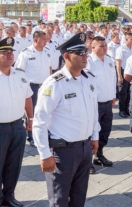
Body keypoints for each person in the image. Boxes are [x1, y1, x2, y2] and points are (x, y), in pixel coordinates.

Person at [32, 33, 100, 207]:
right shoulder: (54, 83)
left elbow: (93, 111)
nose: (85, 56)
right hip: (63, 152)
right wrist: (45, 154)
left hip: (85, 149)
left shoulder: (89, 79)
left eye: (85, 51)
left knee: (79, 198)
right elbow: (40, 122)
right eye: (80, 52)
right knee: (59, 200)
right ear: (66, 56)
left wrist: (94, 136)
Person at [0, 37, 33, 207]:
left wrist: (31, 118)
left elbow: (27, 98)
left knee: (14, 164)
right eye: (4, 52)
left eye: (11, 52)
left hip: (17, 126)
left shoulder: (20, 75)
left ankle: (9, 196)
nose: (9, 55)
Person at [15, 31, 52, 147]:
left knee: (46, 110)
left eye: (46, 39)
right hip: (32, 86)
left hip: (45, 86)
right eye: (43, 39)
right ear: (35, 40)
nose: (46, 41)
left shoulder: (47, 52)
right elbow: (19, 72)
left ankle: (44, 133)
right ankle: (31, 135)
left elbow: (49, 68)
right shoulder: (25, 53)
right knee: (32, 111)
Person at [87, 36, 115, 174]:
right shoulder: (89, 62)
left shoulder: (109, 60)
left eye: (105, 45)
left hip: (108, 102)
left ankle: (99, 154)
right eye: (101, 46)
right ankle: (88, 160)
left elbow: (113, 78)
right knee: (92, 133)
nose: (104, 48)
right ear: (93, 47)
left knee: (105, 131)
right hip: (95, 103)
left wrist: (113, 95)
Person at [115, 33, 132, 118]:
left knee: (129, 92)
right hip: (123, 71)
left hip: (131, 72)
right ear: (126, 39)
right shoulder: (121, 49)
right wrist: (119, 75)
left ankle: (127, 109)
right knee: (122, 92)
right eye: (131, 39)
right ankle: (122, 110)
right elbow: (118, 63)